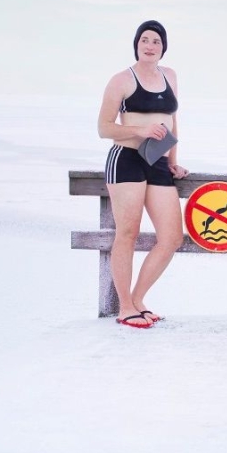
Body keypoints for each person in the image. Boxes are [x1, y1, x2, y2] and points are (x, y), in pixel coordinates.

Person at [97, 20, 189, 328]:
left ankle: (137, 299)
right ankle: (125, 307)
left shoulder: (170, 76)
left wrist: (174, 159)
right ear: (137, 44)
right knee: (128, 233)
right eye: (145, 40)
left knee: (172, 237)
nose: (150, 46)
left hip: (158, 163)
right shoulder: (122, 79)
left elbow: (173, 121)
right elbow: (104, 127)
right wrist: (141, 129)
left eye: (156, 42)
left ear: (163, 47)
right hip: (126, 158)